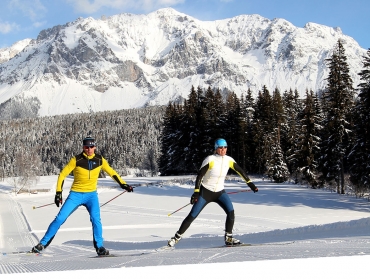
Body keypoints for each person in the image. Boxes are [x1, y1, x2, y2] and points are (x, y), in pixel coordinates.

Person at [31, 136, 133, 256]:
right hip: (75, 194)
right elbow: (62, 174)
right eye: (86, 147)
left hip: (91, 196)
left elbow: (112, 172)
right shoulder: (76, 160)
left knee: (96, 220)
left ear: (94, 147)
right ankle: (42, 244)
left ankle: (100, 247)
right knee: (60, 218)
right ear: (83, 147)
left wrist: (124, 184)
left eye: (91, 147)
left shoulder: (100, 160)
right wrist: (58, 192)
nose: (89, 149)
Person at [167, 138, 258, 247]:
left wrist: (251, 184)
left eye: (225, 147)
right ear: (216, 148)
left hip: (220, 192)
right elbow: (200, 176)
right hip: (206, 192)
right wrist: (196, 192)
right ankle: (176, 237)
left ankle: (229, 238)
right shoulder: (210, 159)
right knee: (192, 215)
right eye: (221, 147)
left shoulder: (229, 160)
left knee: (231, 212)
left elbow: (241, 171)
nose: (223, 149)